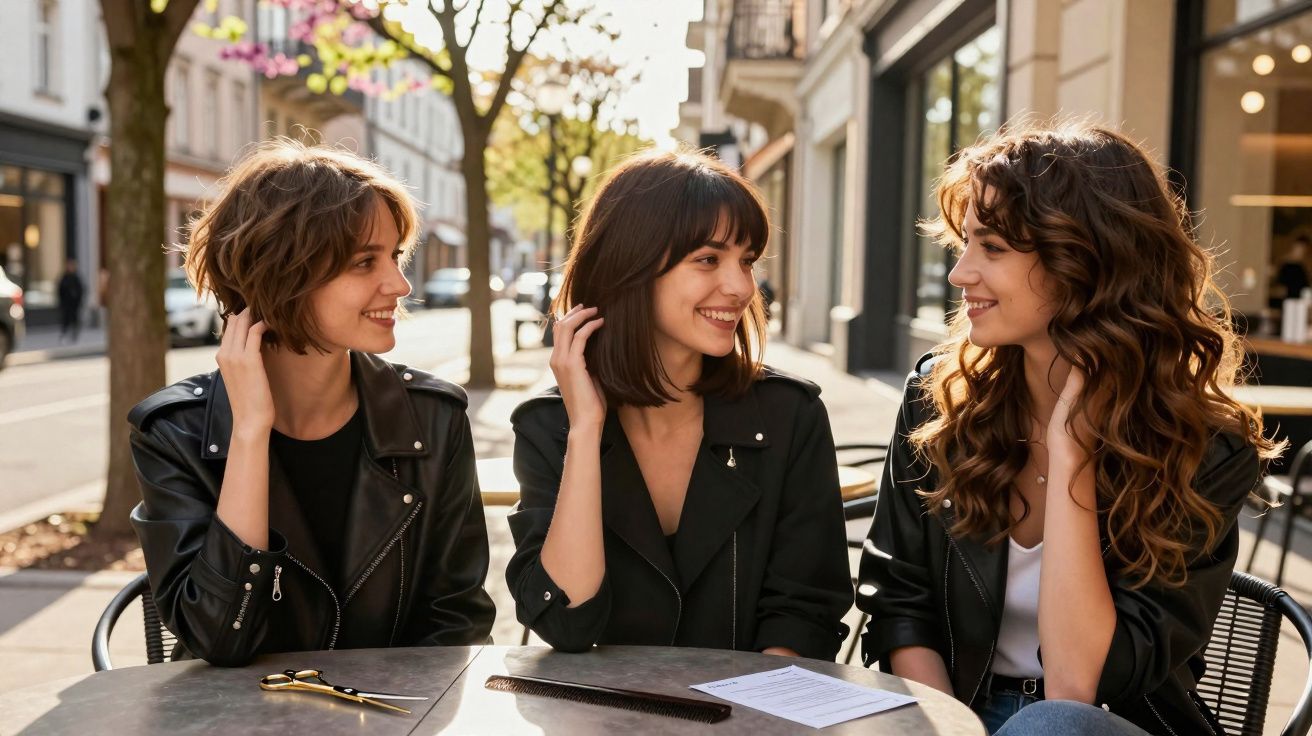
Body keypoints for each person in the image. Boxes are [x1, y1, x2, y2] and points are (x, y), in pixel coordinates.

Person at [856, 122, 1279, 735]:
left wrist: (1072, 448)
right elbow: (900, 599)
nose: (960, 274)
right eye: (964, 244)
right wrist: (946, 727)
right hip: (956, 711)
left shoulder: (1205, 447)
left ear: (1085, 261)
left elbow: (1079, 686)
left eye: (993, 248)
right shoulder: (939, 399)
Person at [129, 140, 495, 666]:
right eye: (364, 262)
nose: (400, 283)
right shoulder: (174, 432)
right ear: (284, 273)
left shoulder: (433, 419)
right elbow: (216, 639)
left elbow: (456, 622)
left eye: (394, 256)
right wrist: (250, 432)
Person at [505, 149, 852, 659]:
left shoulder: (788, 415)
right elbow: (566, 621)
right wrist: (585, 429)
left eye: (747, 261)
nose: (740, 288)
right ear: (632, 267)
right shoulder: (550, 426)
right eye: (708, 259)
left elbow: (804, 613)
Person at [57, 260, 84, 343]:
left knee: (75, 319)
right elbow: (60, 290)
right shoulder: (64, 278)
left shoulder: (76, 278)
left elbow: (81, 290)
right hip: (66, 304)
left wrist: (78, 300)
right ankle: (64, 335)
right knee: (66, 320)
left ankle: (74, 335)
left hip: (74, 304)